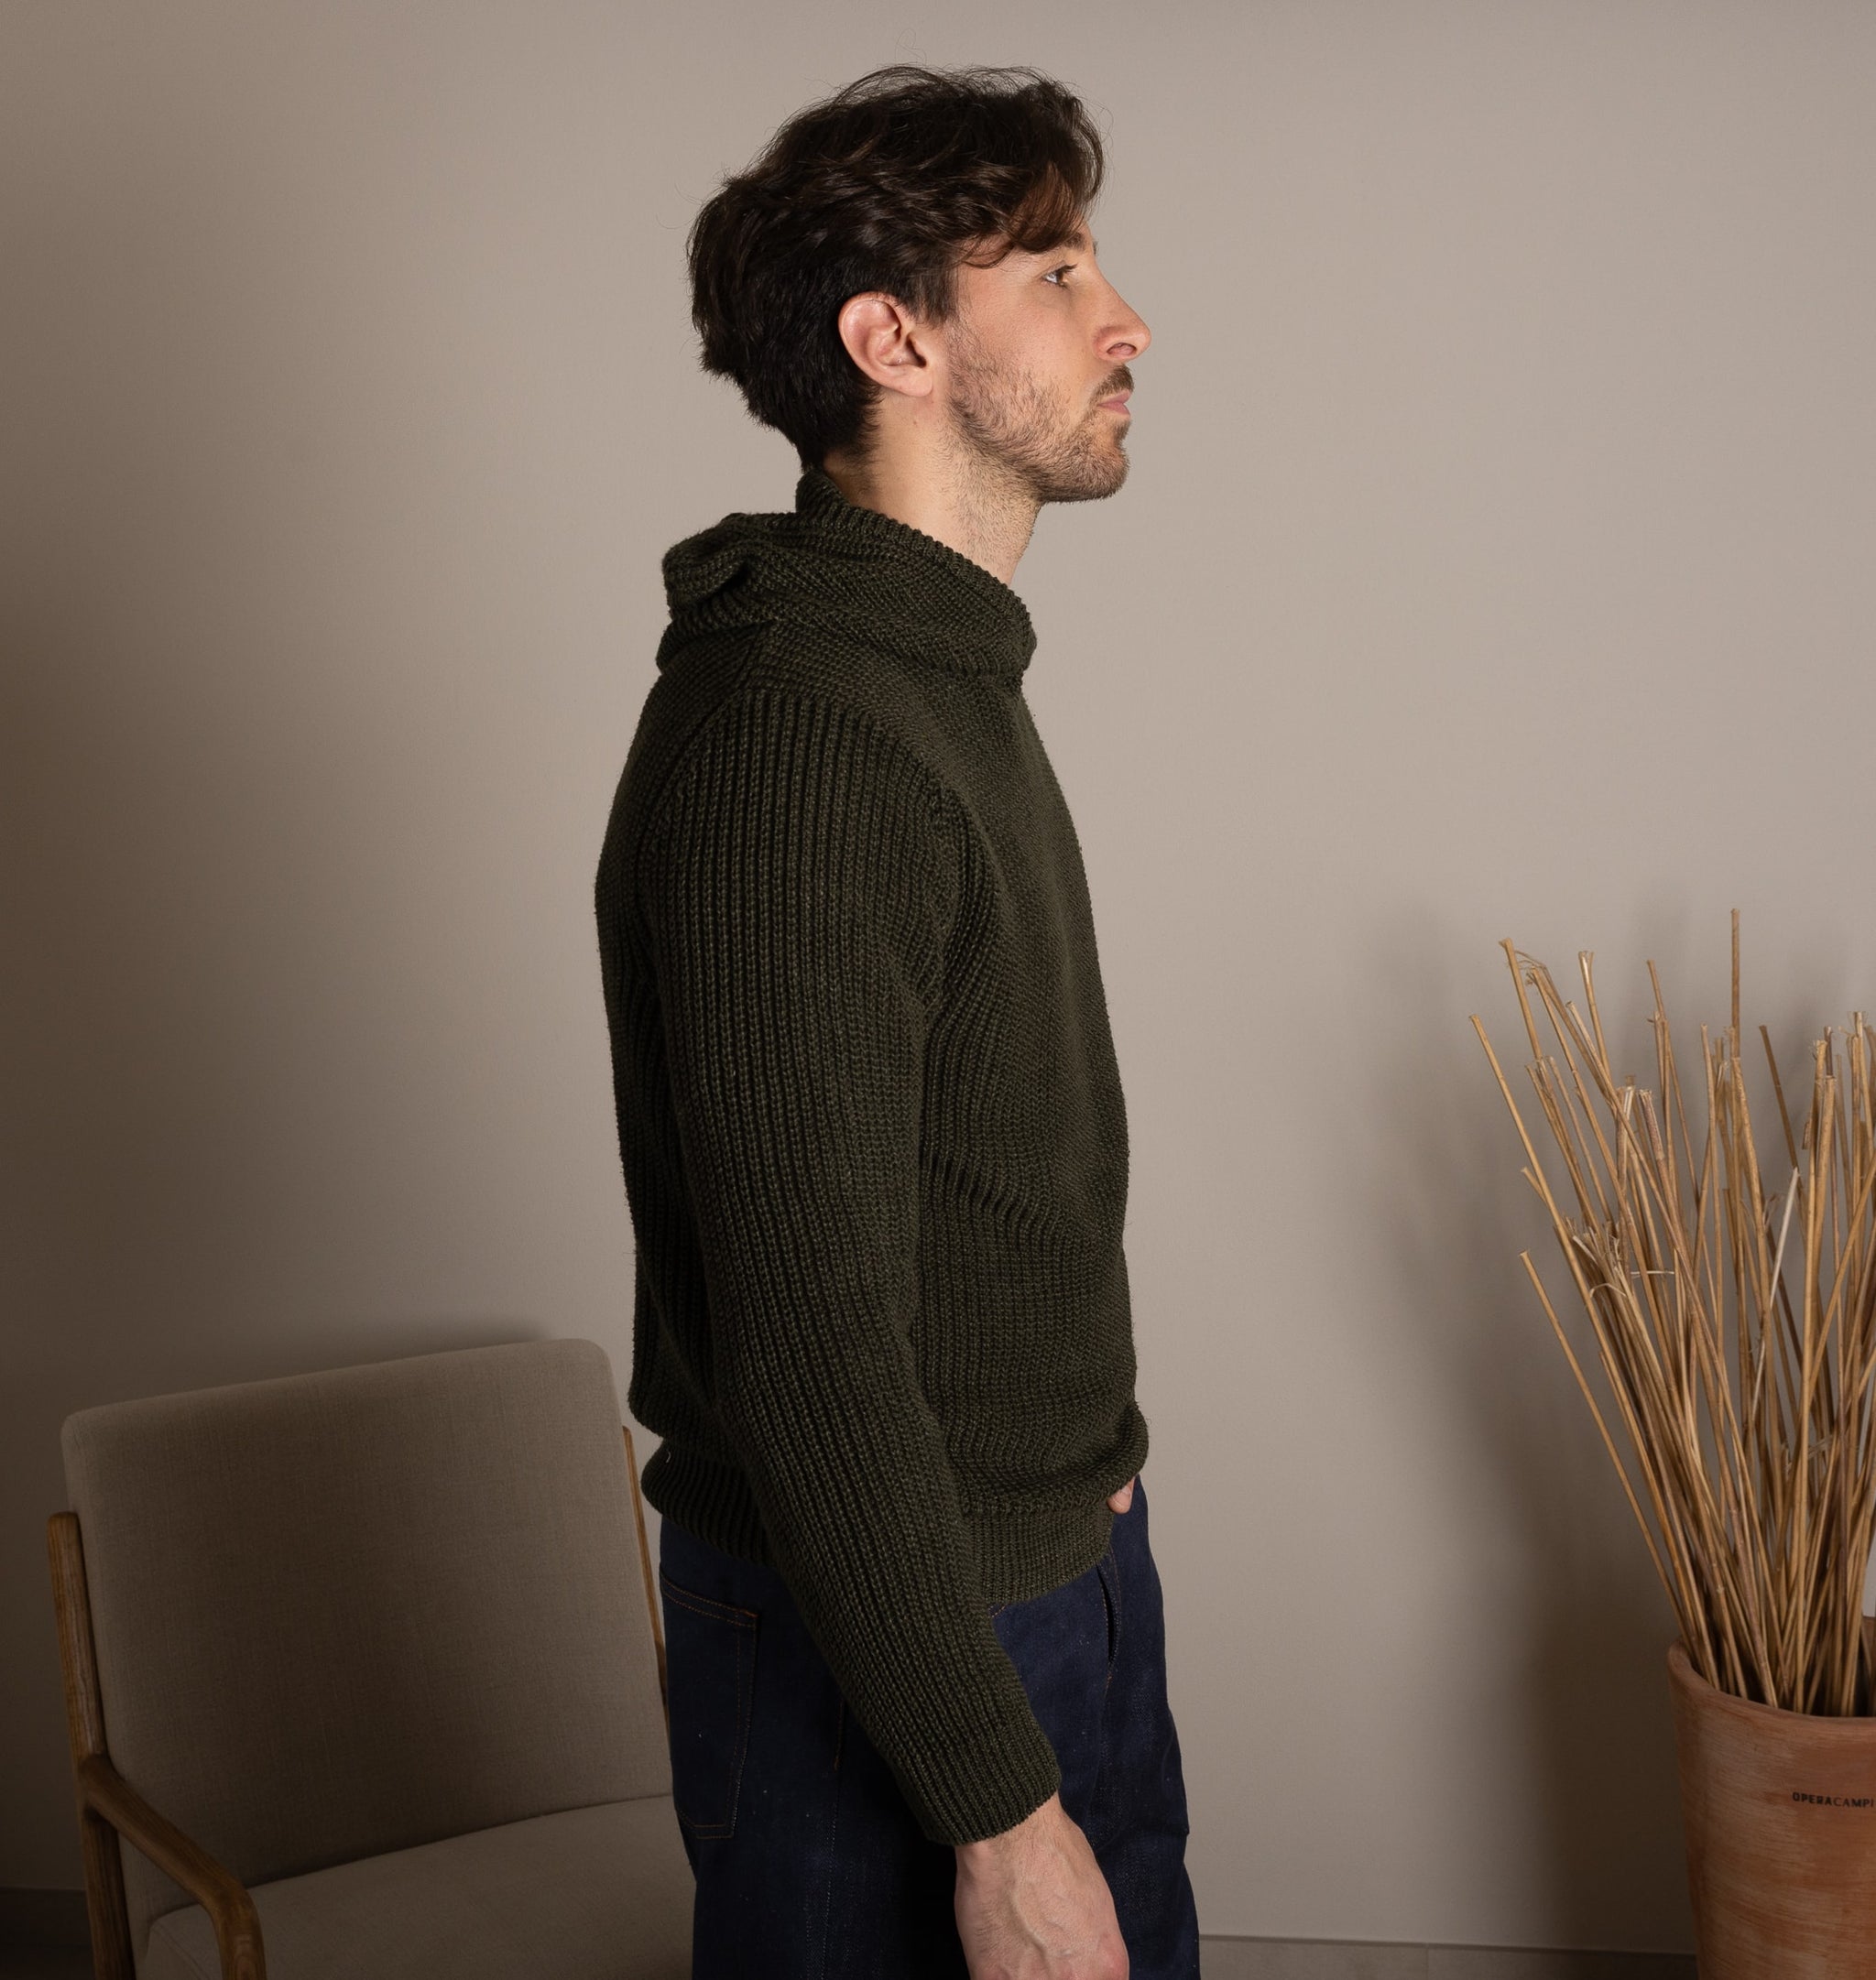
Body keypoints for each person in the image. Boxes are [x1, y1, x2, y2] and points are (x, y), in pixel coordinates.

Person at [594, 61, 1199, 1979]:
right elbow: (809, 1342)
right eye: (1055, 270)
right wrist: (1001, 1816)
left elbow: (975, 1181)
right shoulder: (806, 732)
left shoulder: (931, 676)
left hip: (1041, 1573)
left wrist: (1080, 1476)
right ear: (895, 341)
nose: (1124, 321)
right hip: (891, 1644)